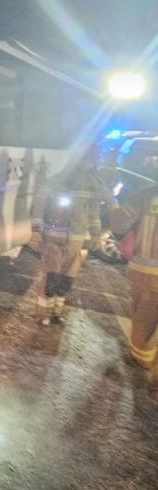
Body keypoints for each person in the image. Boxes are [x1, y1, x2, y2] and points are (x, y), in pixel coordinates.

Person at [33, 143, 114, 325]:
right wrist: (36, 230)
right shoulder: (58, 180)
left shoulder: (94, 184)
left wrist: (94, 234)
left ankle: (55, 313)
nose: (89, 162)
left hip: (76, 243)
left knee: (66, 281)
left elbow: (94, 212)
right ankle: (42, 314)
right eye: (86, 158)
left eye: (92, 159)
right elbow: (39, 205)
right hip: (54, 238)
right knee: (50, 279)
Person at [111, 179, 158, 387]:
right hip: (146, 269)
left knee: (144, 317)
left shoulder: (145, 195)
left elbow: (119, 222)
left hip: (145, 269)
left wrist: (125, 236)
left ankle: (142, 361)